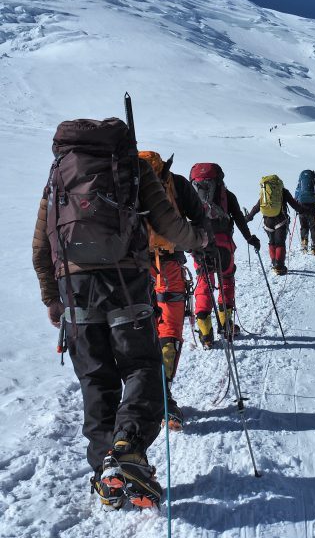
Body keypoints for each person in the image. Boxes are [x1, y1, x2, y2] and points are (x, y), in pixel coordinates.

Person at [32, 117, 208, 509]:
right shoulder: (132, 165)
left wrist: (52, 298)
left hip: (75, 290)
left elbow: (41, 244)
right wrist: (201, 238)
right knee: (142, 367)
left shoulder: (60, 171)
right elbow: (168, 224)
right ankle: (127, 449)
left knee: (96, 380)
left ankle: (105, 474)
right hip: (126, 282)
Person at [139, 151, 209, 431]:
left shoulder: (121, 181)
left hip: (131, 271)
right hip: (168, 268)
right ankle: (163, 397)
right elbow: (198, 218)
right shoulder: (176, 184)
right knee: (169, 330)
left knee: (140, 332)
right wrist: (203, 246)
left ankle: (140, 399)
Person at [189, 163, 260, 348]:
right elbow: (239, 219)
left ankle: (205, 334)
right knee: (226, 281)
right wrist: (250, 238)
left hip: (200, 244)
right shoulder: (227, 196)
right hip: (224, 245)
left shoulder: (191, 196)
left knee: (204, 283)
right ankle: (226, 326)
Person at [246, 174, 305, 275]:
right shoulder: (283, 191)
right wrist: (303, 210)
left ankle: (274, 263)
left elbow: (257, 206)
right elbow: (294, 204)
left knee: (272, 242)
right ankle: (279, 267)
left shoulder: (265, 193)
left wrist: (248, 217)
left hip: (267, 222)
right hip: (280, 220)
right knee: (280, 243)